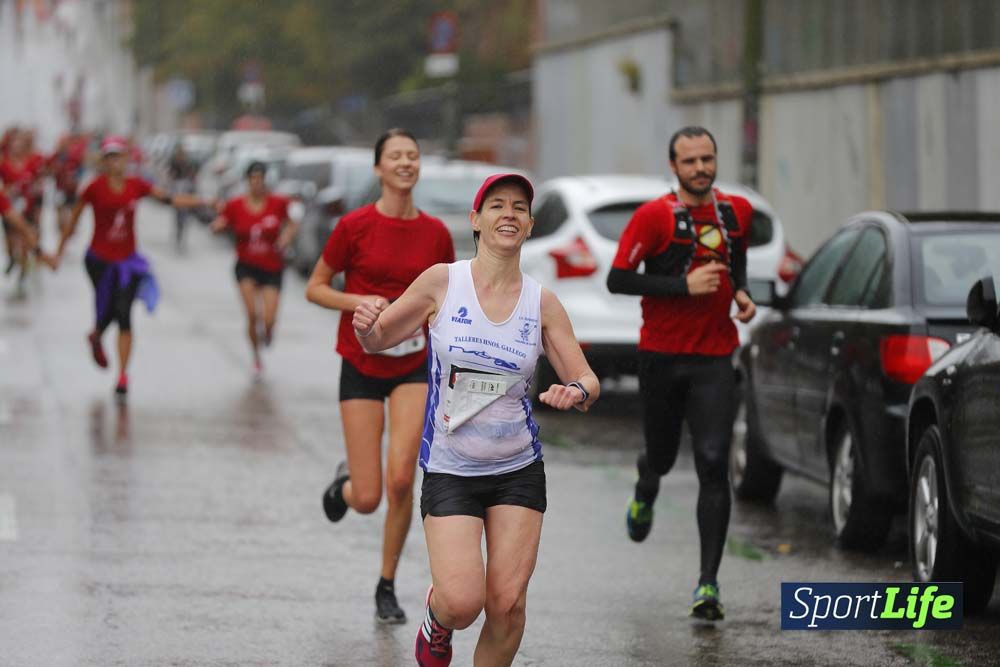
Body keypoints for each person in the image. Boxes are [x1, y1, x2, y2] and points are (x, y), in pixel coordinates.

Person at [352, 173, 600, 666]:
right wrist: (365, 329)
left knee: (507, 606)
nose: (509, 214)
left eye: (519, 208)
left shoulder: (541, 302)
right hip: (452, 467)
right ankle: (438, 616)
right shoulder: (442, 282)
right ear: (476, 221)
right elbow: (380, 339)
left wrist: (575, 391)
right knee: (463, 602)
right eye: (497, 205)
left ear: (529, 225)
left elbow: (587, 379)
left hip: (517, 469)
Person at [606, 126, 756, 621]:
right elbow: (618, 279)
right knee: (664, 456)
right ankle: (646, 484)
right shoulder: (654, 217)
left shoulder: (736, 212)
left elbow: (737, 261)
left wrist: (741, 293)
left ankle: (708, 584)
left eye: (707, 159)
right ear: (673, 166)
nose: (700, 168)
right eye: (690, 161)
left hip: (715, 357)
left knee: (713, 462)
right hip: (662, 356)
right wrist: (682, 286)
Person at [305, 129, 455, 625]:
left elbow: (448, 297)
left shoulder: (435, 233)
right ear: (379, 168)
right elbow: (315, 287)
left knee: (401, 479)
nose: (406, 162)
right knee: (368, 497)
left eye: (413, 155)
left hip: (413, 365)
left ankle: (386, 584)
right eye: (396, 156)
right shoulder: (354, 226)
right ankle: (344, 486)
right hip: (361, 362)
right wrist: (359, 302)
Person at [54, 135, 207, 399]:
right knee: (109, 307)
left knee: (124, 312)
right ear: (104, 161)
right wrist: (58, 252)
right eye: (110, 157)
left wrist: (202, 202)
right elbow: (74, 220)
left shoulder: (136, 185)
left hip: (128, 261)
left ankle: (123, 375)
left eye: (119, 156)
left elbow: (168, 199)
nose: (115, 162)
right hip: (99, 260)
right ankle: (97, 334)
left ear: (126, 159)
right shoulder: (94, 188)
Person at [210, 161, 298, 375]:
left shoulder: (279, 203)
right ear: (247, 181)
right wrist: (218, 226)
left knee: (268, 319)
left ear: (266, 180)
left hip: (272, 267)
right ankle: (256, 357)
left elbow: (293, 221)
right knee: (252, 314)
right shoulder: (235, 204)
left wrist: (286, 236)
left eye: (260, 179)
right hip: (246, 266)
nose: (257, 183)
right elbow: (220, 222)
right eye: (253, 179)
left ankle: (268, 331)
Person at [168, 144, 198, 250]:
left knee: (184, 212)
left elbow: (192, 175)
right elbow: (171, 174)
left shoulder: (187, 163)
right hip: (177, 187)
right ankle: (178, 231)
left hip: (185, 188)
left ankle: (182, 228)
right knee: (178, 213)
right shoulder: (174, 162)